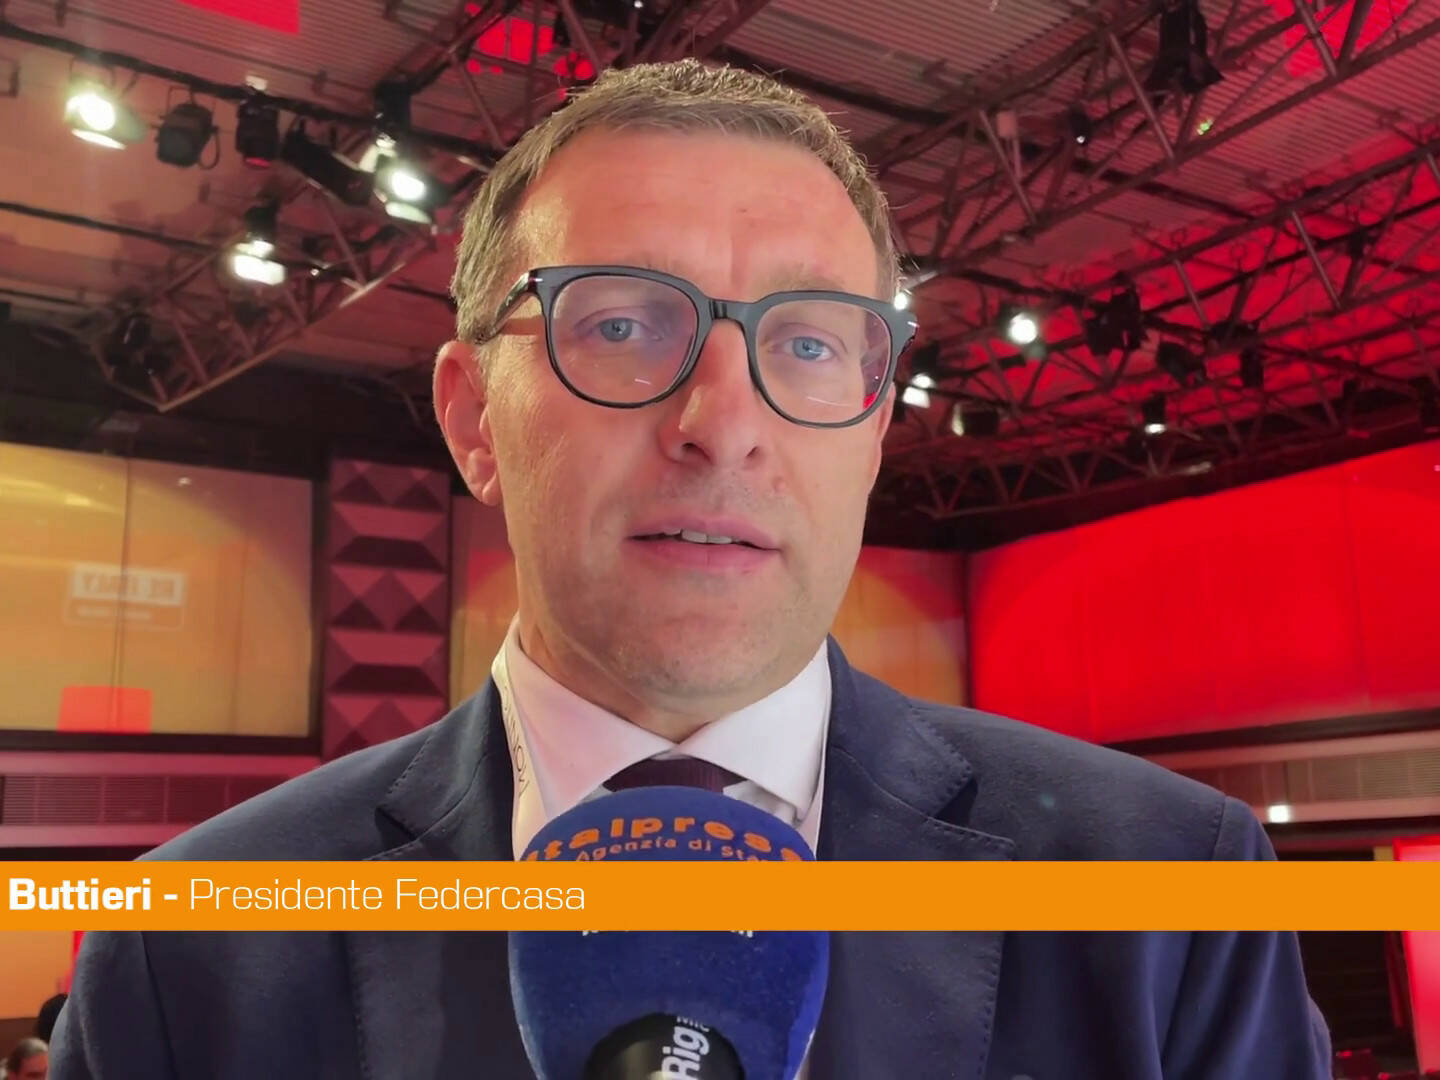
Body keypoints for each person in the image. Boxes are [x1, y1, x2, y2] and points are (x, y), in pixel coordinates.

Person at [52, 59, 1331, 1079]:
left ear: (874, 432)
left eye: (811, 344)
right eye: (620, 323)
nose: (724, 423)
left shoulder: (1170, 894)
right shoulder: (193, 945)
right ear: (474, 420)